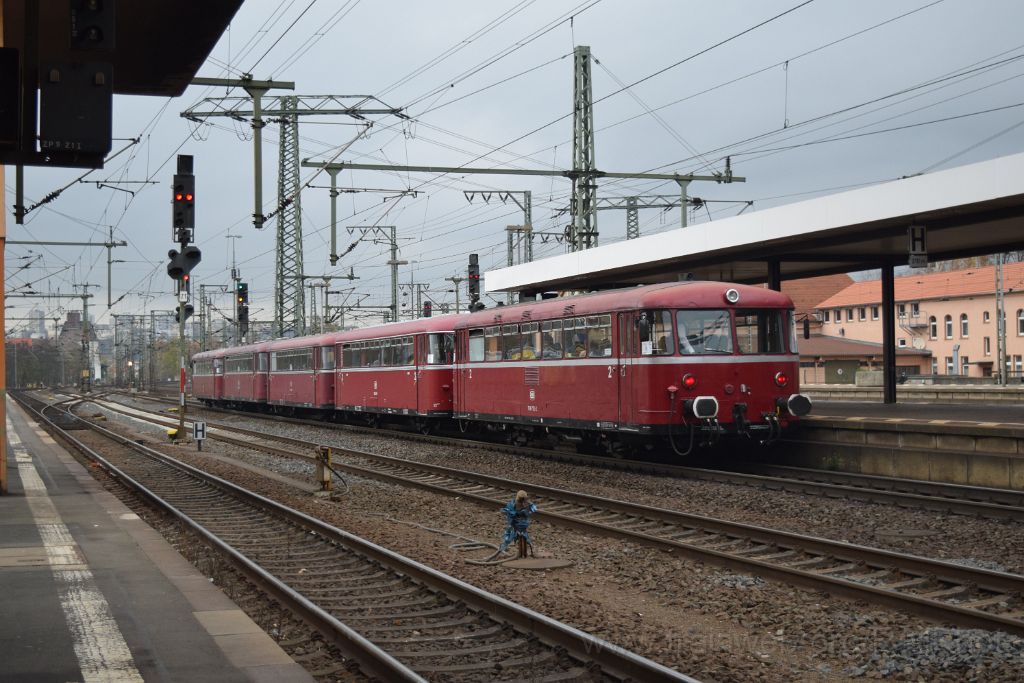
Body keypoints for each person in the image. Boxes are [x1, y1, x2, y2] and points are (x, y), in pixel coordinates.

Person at [499, 490, 537, 558]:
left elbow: (507, 511)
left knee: (508, 534)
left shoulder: (514, 504)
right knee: (509, 534)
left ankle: (502, 549)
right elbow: (533, 509)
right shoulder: (526, 504)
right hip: (518, 523)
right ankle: (502, 549)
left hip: (518, 523)